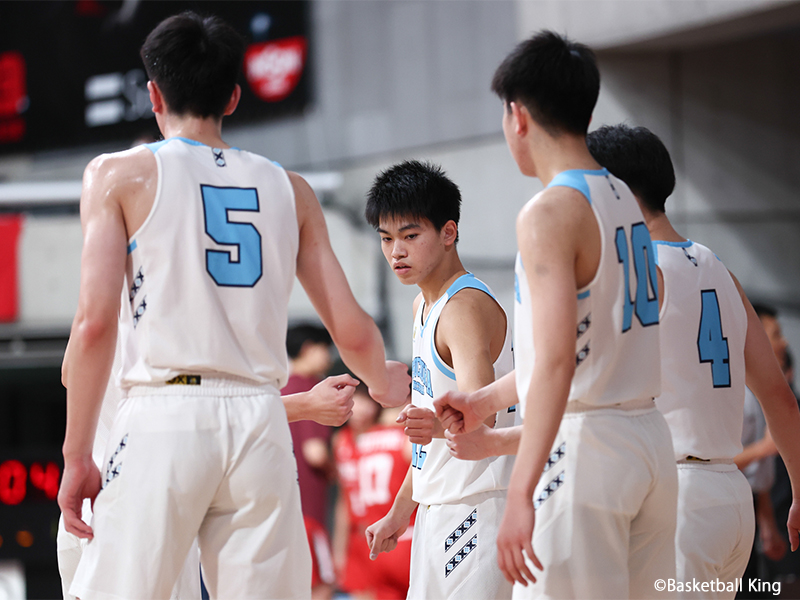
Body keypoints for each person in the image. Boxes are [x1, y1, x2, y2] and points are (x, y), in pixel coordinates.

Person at [57, 11, 409, 600]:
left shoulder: (118, 175)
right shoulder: (291, 189)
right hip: (259, 421)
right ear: (234, 97)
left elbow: (93, 326)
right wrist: (381, 379)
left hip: (164, 415)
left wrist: (76, 457)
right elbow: (350, 327)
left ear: (153, 95)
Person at [435, 32, 678, 599]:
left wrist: (521, 492)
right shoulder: (625, 199)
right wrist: (482, 401)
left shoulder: (549, 211)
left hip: (587, 450)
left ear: (517, 115)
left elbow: (556, 362)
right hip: (650, 445)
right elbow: (591, 341)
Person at [586, 124, 800, 597]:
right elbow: (780, 398)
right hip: (730, 498)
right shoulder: (721, 271)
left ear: (616, 193)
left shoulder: (636, 272)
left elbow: (573, 378)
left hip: (677, 499)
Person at [363, 160, 517, 599]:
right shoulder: (422, 306)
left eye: (410, 236)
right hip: (439, 509)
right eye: (386, 238)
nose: (396, 251)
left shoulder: (463, 307)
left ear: (449, 232)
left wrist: (432, 424)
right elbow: (425, 444)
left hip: (477, 506)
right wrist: (399, 513)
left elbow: (483, 418)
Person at [333, 383, 413, 600]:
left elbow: (344, 500)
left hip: (371, 536)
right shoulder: (404, 437)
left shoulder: (358, 441)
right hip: (400, 535)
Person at [284, 323, 339, 600]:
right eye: (324, 348)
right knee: (320, 586)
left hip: (280, 506)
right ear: (308, 349)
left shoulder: (278, 388)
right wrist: (337, 473)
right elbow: (315, 452)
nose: (328, 356)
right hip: (309, 509)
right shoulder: (312, 390)